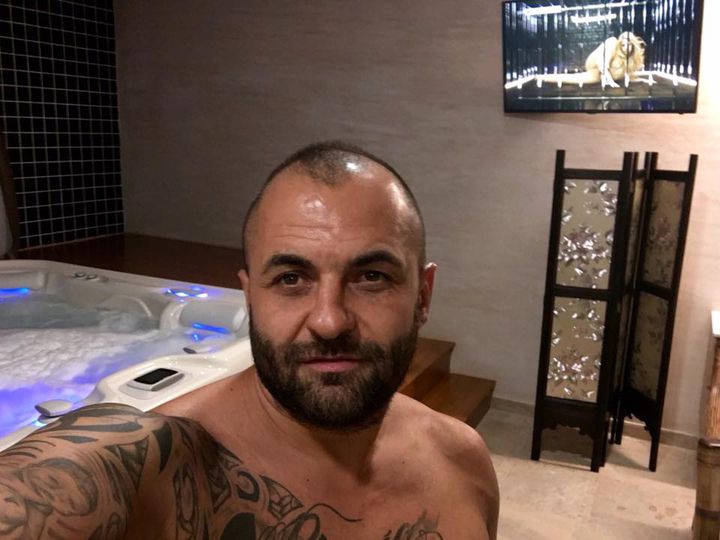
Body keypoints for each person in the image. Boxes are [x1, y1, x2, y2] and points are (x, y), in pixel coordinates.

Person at [0, 141, 499, 539]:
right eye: (290, 279)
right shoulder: (157, 463)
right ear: (249, 297)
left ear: (423, 296)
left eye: (371, 277)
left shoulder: (463, 464)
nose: (329, 321)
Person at [539, 31, 651, 88]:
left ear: (633, 45)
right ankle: (540, 77)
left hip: (604, 73)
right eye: (623, 45)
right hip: (596, 66)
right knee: (572, 79)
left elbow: (629, 76)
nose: (626, 48)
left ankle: (541, 78)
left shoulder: (632, 60)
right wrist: (610, 81)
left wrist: (642, 80)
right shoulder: (613, 44)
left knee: (574, 79)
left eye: (629, 45)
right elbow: (603, 63)